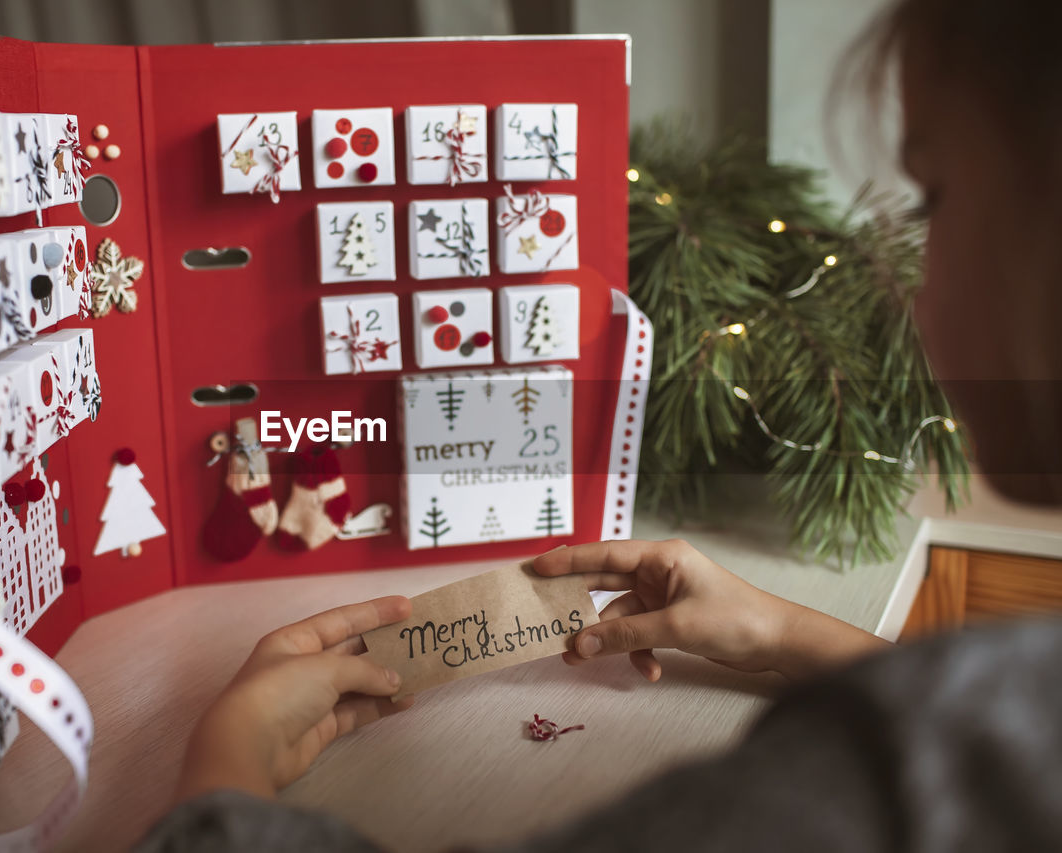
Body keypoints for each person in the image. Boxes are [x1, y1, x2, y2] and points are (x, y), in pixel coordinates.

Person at [138, 0, 1062, 848]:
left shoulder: (869, 780)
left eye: (933, 198)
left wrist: (225, 767)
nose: (911, 279)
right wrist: (786, 631)